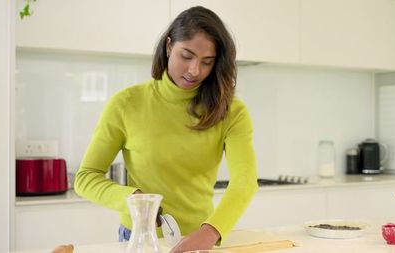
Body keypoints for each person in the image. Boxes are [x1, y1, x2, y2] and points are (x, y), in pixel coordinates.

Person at [74, 6, 258, 253]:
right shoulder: (127, 104)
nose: (194, 70)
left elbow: (244, 182)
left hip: (201, 237)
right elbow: (86, 177)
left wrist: (211, 232)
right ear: (169, 46)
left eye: (207, 62)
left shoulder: (231, 111)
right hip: (139, 237)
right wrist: (132, 199)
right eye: (187, 55)